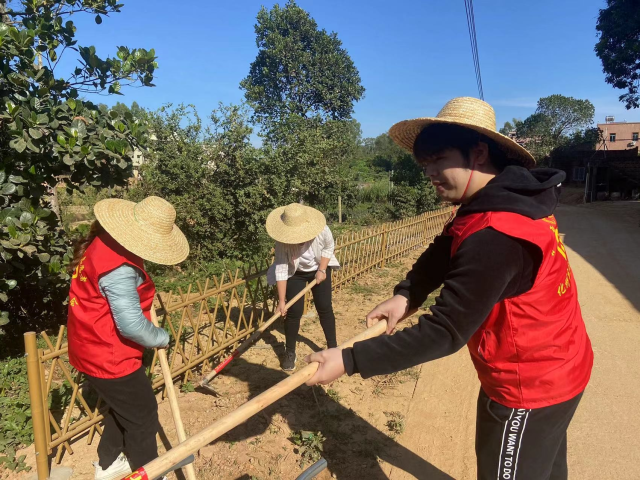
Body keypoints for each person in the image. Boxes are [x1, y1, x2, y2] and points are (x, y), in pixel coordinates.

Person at [305, 97, 593, 480]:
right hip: (563, 362)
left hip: (529, 386)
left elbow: (446, 331)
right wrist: (407, 293)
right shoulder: (503, 200)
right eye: (425, 165)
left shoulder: (499, 233)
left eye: (439, 160)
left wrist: (350, 359)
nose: (431, 174)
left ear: (478, 152)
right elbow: (446, 247)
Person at [67, 196, 189, 480]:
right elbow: (131, 325)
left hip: (88, 343)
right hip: (109, 354)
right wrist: (160, 337)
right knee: (144, 416)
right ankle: (151, 472)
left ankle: (109, 464)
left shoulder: (103, 242)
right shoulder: (119, 268)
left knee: (125, 408)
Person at [266, 203, 340, 371]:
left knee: (324, 307)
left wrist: (322, 269)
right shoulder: (282, 242)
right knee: (293, 312)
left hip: (319, 268)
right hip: (296, 273)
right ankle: (290, 352)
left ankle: (333, 347)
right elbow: (282, 268)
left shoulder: (322, 231)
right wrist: (282, 300)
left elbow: (329, 247)